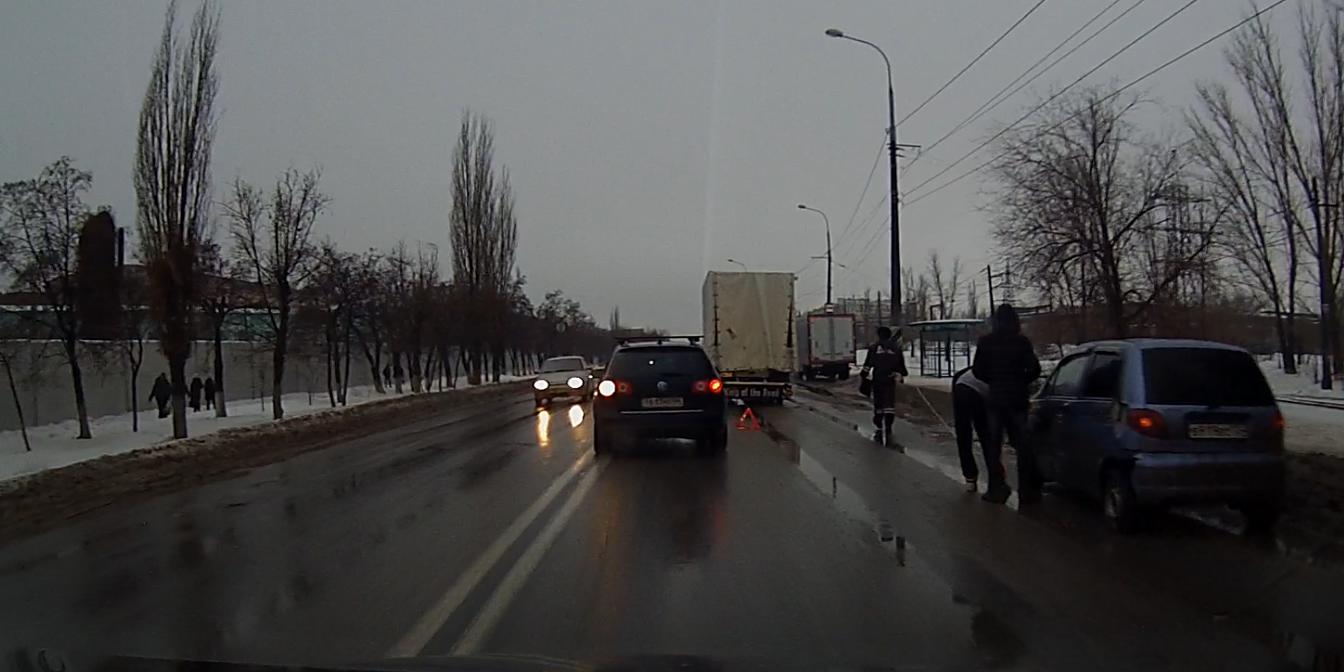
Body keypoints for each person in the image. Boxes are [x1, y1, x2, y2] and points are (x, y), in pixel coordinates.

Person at [972, 304, 1042, 504]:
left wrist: (994, 381)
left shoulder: (986, 342)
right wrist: (1021, 380)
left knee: (994, 446)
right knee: (1022, 446)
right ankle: (1026, 491)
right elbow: (1035, 369)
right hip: (1018, 399)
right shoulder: (1022, 342)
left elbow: (977, 370)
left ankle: (996, 488)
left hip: (996, 399)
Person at [860, 326, 909, 445]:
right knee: (889, 404)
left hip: (878, 380)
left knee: (879, 403)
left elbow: (867, 365)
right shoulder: (896, 348)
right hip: (890, 380)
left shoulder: (874, 348)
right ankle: (888, 426)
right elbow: (902, 369)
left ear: (879, 335)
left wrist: (864, 376)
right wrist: (900, 373)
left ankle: (878, 423)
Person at [952, 366, 993, 493]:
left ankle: (970, 477)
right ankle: (995, 480)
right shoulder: (1008, 374)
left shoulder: (983, 364)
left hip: (961, 385)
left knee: (963, 434)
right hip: (977, 391)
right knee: (987, 436)